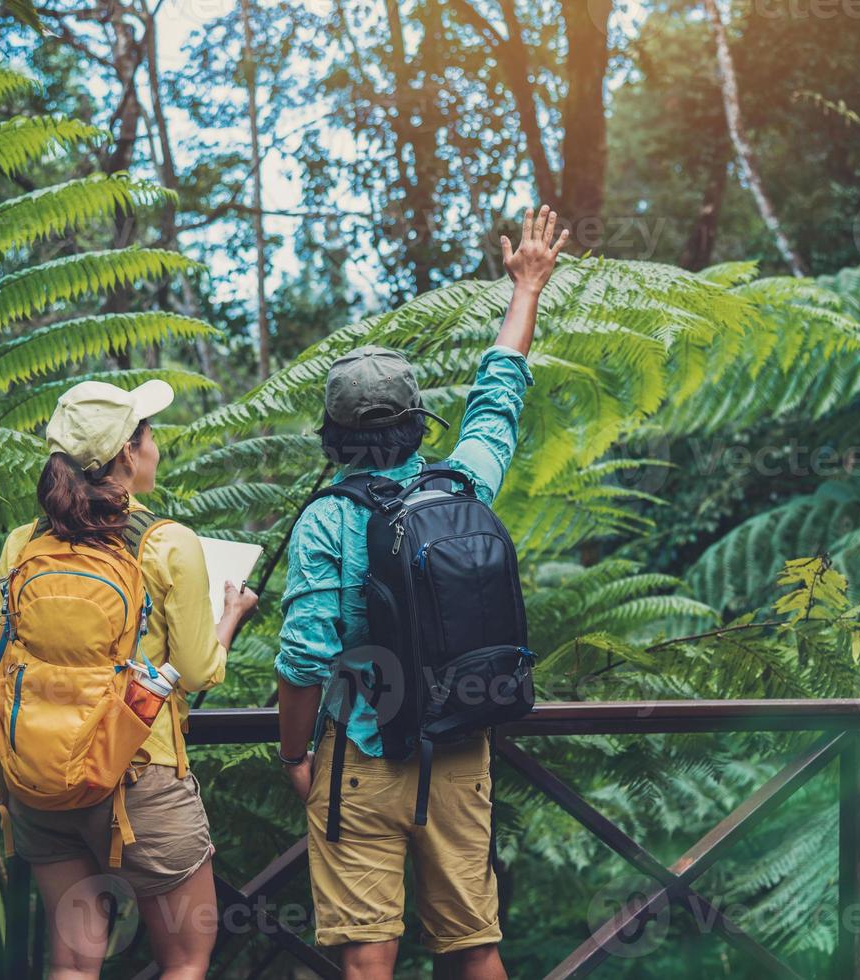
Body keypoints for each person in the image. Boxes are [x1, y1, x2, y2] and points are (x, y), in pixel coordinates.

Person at [274, 205, 569, 979]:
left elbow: (304, 660)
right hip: (460, 747)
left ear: (334, 436)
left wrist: (296, 753)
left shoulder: (325, 521)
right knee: (474, 948)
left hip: (363, 759)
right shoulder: (463, 484)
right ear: (416, 424)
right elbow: (499, 393)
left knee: (369, 959)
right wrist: (527, 286)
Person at [0, 379, 258, 980]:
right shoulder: (169, 543)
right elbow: (196, 673)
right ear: (127, 454)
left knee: (74, 962)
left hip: (39, 780)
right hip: (138, 776)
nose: (155, 448)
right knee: (186, 958)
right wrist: (231, 617)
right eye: (150, 435)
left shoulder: (23, 543)